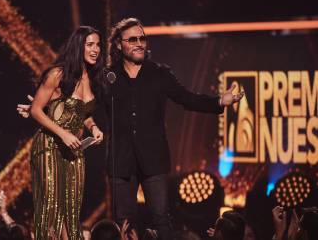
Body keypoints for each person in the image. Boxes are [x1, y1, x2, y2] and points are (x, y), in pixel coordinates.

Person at [105, 17, 244, 240]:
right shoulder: (108, 77)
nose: (140, 43)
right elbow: (88, 104)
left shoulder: (160, 74)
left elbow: (187, 98)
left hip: (154, 159)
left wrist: (219, 102)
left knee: (161, 219)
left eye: (143, 38)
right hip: (121, 160)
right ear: (119, 45)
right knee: (123, 222)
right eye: (133, 39)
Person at [28, 26, 105, 240]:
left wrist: (94, 128)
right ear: (78, 46)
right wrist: (63, 133)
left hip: (75, 151)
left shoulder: (93, 79)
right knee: (51, 205)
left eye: (98, 45)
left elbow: (82, 113)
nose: (95, 49)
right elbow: (36, 109)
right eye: (90, 44)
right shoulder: (58, 74)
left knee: (71, 211)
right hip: (50, 146)